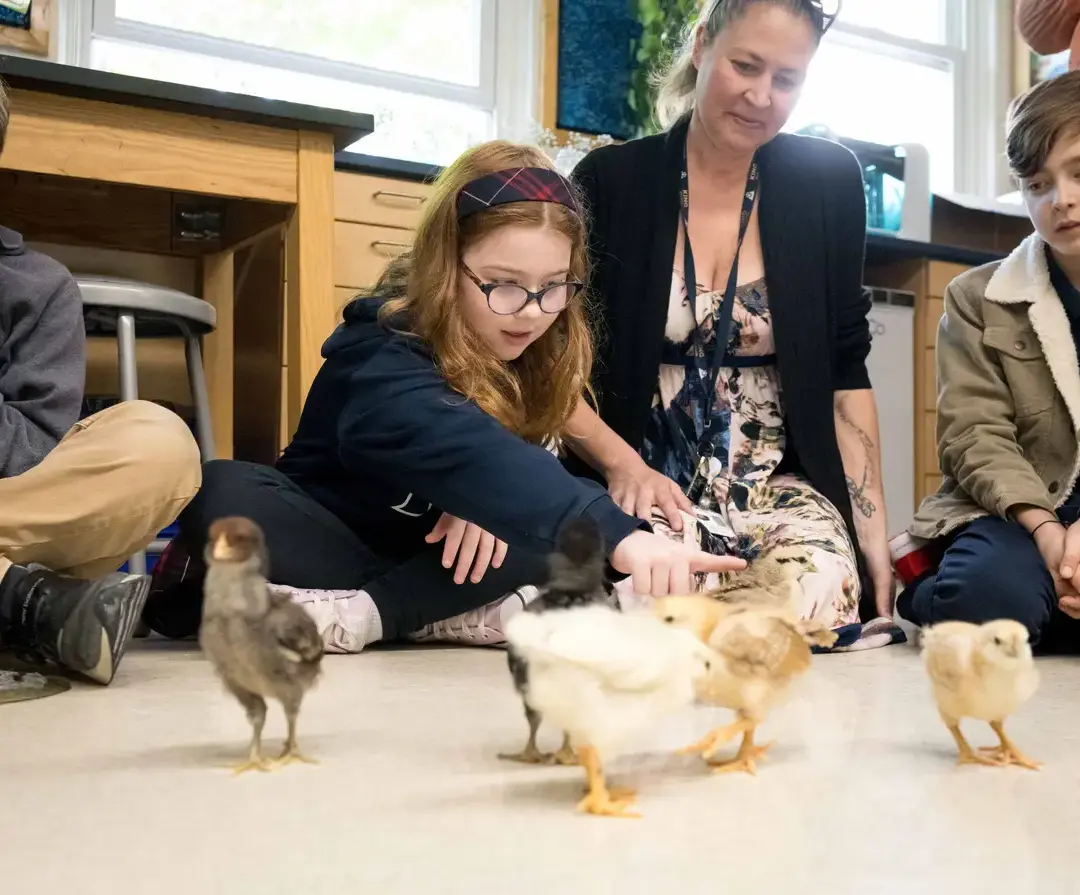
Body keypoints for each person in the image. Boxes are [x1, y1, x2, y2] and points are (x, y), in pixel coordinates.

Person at [150, 140, 746, 652]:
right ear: (444, 263)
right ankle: (421, 609)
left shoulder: (534, 341)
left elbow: (526, 456)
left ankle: (367, 615)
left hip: (437, 554)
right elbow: (453, 440)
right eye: (504, 285)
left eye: (555, 287)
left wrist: (500, 499)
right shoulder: (378, 347)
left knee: (552, 518)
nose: (533, 313)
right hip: (340, 536)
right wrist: (499, 497)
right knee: (225, 491)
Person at [563, 0, 898, 647]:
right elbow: (551, 365)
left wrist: (872, 536)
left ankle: (718, 635)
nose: (761, 95)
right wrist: (621, 464)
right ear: (700, 46)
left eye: (786, 79)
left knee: (824, 586)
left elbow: (845, 370)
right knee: (629, 587)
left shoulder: (828, 184)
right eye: (746, 65)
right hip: (644, 481)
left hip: (776, 485)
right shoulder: (611, 181)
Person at [0, 82, 202, 685]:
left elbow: (28, 451)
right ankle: (25, 605)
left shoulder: (36, 286)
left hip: (14, 498)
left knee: (159, 444)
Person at [897, 70, 1080, 652]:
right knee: (986, 602)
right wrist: (1051, 532)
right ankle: (932, 581)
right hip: (1019, 512)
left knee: (1018, 613)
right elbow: (974, 435)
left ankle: (1051, 608)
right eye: (1037, 184)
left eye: (1079, 173)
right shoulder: (976, 298)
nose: (1061, 199)